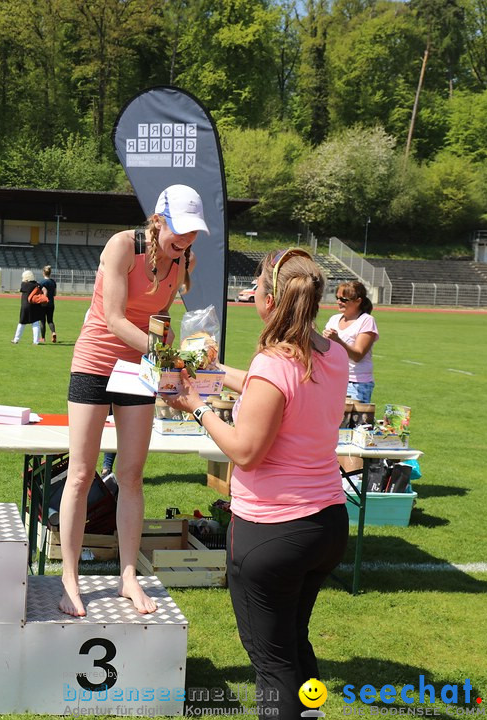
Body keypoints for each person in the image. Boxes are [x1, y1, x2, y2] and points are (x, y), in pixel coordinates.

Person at [167, 248, 350, 720]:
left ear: (269, 301)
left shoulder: (275, 362)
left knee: (272, 665)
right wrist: (214, 371)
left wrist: (198, 407)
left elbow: (246, 450)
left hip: (273, 531)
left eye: (255, 292)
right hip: (326, 523)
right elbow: (271, 384)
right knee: (293, 641)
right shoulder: (334, 355)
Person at [58, 184, 208, 617]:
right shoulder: (123, 246)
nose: (187, 240)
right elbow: (115, 319)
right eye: (180, 231)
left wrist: (187, 346)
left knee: (132, 475)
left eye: (194, 232)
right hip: (95, 361)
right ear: (158, 220)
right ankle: (70, 577)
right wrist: (166, 355)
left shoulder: (185, 259)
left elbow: (157, 318)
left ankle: (128, 576)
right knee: (82, 472)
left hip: (140, 369)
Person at [322, 280, 378, 403]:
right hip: (333, 378)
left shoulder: (366, 320)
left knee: (352, 422)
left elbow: (357, 355)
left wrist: (337, 340)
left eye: (343, 299)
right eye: (337, 298)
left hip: (356, 383)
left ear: (358, 301)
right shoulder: (334, 319)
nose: (338, 302)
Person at [12, 270, 45, 344]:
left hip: (25, 306)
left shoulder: (23, 285)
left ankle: (16, 339)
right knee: (35, 323)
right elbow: (43, 289)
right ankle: (36, 341)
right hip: (35, 306)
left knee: (21, 323)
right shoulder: (37, 285)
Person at [39, 265, 58, 342]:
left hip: (43, 304)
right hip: (51, 303)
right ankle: (53, 332)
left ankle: (43, 338)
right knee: (50, 320)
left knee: (42, 321)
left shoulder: (41, 282)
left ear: (43, 273)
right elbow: (55, 294)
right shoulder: (53, 282)